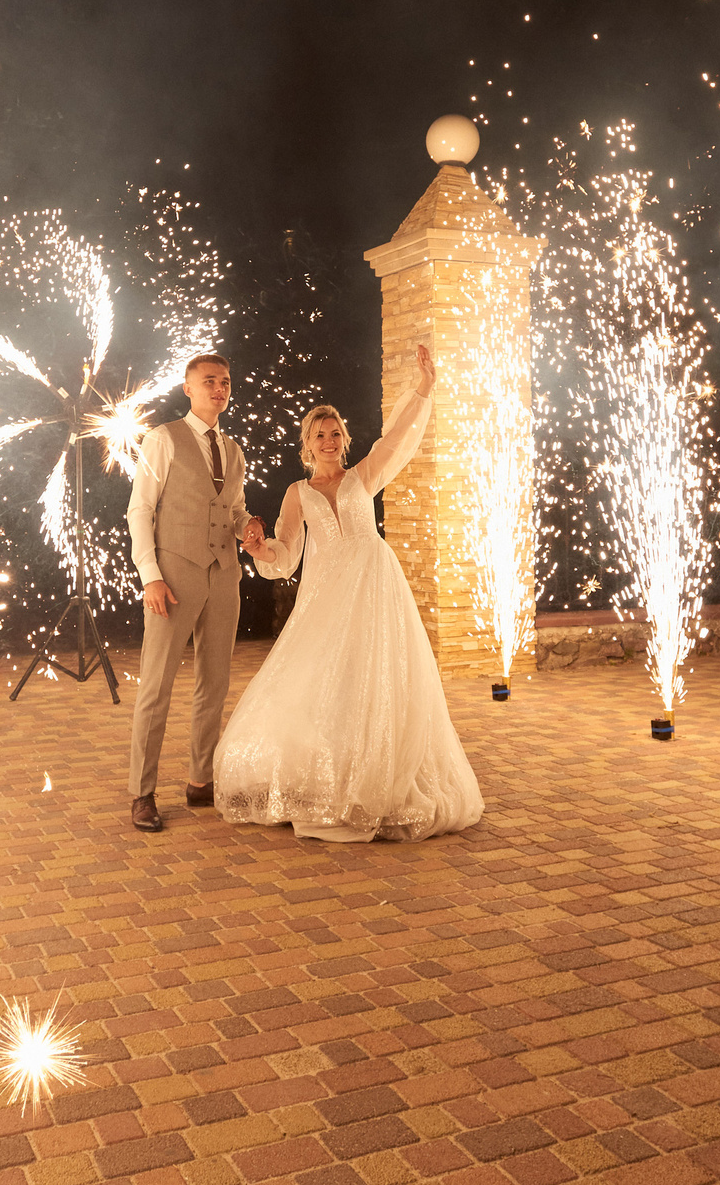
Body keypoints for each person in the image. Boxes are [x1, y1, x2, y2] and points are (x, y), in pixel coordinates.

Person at [217, 342, 483, 842]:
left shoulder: (364, 475)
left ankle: (381, 771)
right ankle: (332, 774)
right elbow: (286, 553)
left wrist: (425, 386)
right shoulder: (297, 493)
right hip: (328, 597)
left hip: (377, 589)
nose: (329, 439)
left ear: (343, 437)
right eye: (320, 433)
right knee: (331, 681)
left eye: (335, 431)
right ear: (307, 443)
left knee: (379, 675)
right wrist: (257, 548)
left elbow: (399, 437)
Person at [123, 353, 251, 832]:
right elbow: (141, 510)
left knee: (214, 682)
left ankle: (201, 781)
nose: (218, 389)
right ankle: (142, 792)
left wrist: (249, 529)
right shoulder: (163, 438)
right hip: (173, 575)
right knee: (156, 686)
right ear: (188, 388)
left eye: (225, 381)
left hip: (225, 575)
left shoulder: (234, 450)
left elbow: (234, 511)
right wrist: (150, 575)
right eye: (208, 382)